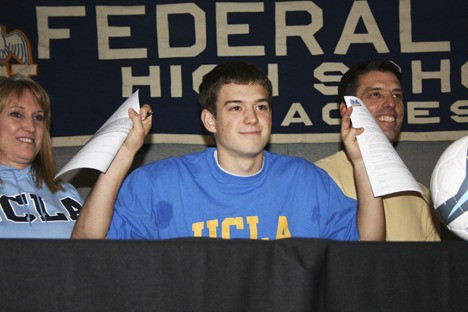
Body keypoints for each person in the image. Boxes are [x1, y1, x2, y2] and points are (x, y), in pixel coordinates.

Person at [106, 60, 385, 241]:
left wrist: (361, 162)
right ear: (210, 120)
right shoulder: (157, 184)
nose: (252, 118)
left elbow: (369, 250)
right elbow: (88, 252)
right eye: (236, 108)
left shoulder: (305, 180)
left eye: (261, 107)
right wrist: (121, 155)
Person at [0, 74, 152, 239]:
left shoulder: (66, 193)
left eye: (38, 118)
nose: (31, 126)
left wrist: (126, 150)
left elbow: (85, 245)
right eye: (16, 114)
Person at [315, 59, 441, 241]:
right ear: (346, 110)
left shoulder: (421, 197)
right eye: (375, 94)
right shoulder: (318, 179)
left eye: (397, 96)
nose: (391, 103)